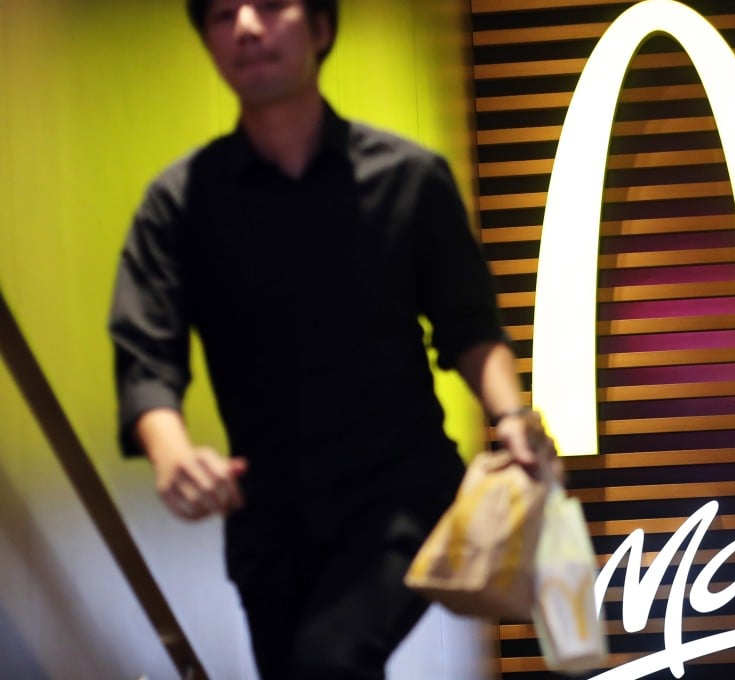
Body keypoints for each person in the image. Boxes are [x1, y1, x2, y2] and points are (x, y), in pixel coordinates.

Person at [109, 1, 551, 677]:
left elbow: (469, 324)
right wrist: (170, 453)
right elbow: (147, 354)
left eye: (269, 5)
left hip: (402, 503)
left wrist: (511, 415)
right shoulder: (179, 203)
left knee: (330, 663)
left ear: (320, 26)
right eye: (224, 14)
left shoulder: (410, 178)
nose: (248, 27)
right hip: (269, 524)